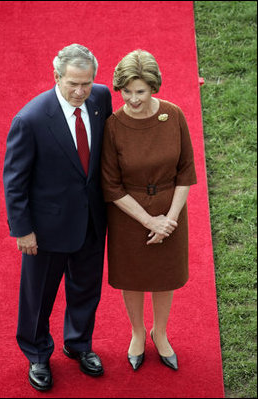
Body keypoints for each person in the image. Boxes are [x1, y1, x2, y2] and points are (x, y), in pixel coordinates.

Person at [3, 43, 112, 391]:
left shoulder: (101, 99)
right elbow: (14, 181)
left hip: (92, 220)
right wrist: (23, 230)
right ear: (56, 78)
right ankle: (37, 354)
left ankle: (78, 344)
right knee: (38, 297)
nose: (81, 92)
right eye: (73, 84)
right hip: (46, 229)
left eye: (87, 83)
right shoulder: (31, 119)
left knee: (86, 289)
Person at [101, 50, 197, 372]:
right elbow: (111, 185)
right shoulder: (114, 126)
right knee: (133, 277)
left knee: (163, 276)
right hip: (130, 215)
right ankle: (138, 332)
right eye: (126, 91)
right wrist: (148, 220)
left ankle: (161, 332)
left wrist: (168, 220)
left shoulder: (174, 116)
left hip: (170, 212)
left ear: (153, 87)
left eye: (139, 91)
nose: (132, 99)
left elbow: (185, 172)